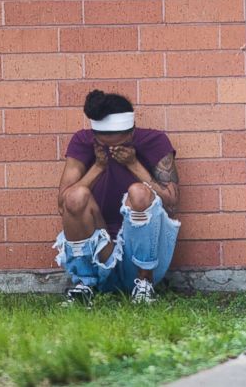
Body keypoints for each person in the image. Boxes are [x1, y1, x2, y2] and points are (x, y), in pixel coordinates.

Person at [55, 90, 180, 306]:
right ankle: (85, 283)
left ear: (132, 133)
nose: (112, 149)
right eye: (105, 145)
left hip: (140, 252)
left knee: (139, 192)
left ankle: (144, 285)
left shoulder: (155, 140)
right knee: (76, 196)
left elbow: (171, 202)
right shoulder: (82, 141)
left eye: (120, 144)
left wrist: (133, 164)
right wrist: (98, 166)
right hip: (100, 250)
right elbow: (63, 203)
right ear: (95, 138)